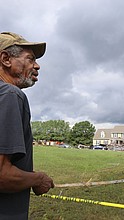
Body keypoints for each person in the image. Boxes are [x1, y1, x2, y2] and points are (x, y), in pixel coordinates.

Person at [0, 32, 54, 220]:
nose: (37, 66)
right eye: (30, 59)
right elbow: (1, 175)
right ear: (6, 59)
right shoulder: (9, 94)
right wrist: (38, 179)